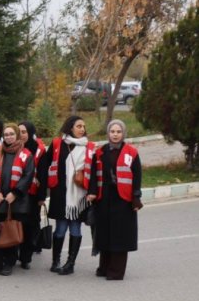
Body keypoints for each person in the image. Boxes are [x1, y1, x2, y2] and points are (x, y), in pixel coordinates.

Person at [37, 116, 94, 275]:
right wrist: (42, 184)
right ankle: (56, 261)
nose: (82, 129)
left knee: (75, 227)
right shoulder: (57, 144)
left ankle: (70, 263)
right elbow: (44, 164)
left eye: (83, 126)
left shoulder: (89, 147)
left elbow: (95, 172)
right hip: (60, 194)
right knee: (60, 228)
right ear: (70, 128)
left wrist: (92, 192)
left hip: (80, 196)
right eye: (78, 126)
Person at [88, 119, 142, 281]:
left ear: (123, 133)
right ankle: (104, 267)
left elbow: (137, 176)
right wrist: (92, 192)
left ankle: (116, 271)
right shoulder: (100, 152)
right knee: (104, 232)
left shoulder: (131, 152)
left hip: (123, 199)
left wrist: (136, 198)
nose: (115, 134)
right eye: (112, 131)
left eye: (118, 132)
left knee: (120, 235)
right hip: (103, 198)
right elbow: (92, 174)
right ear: (108, 133)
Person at [0, 123, 35, 276]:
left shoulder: (26, 154)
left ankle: (9, 262)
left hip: (16, 201)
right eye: (6, 135)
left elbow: (28, 175)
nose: (8, 137)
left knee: (11, 231)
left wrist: (15, 193)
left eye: (11, 134)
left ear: (17, 135)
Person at [17, 121, 46, 268]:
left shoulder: (38, 150)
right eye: (19, 132)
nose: (21, 135)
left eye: (24, 132)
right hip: (16, 193)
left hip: (32, 193)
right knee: (17, 224)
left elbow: (43, 174)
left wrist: (41, 197)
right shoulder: (13, 148)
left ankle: (25, 257)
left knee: (30, 225)